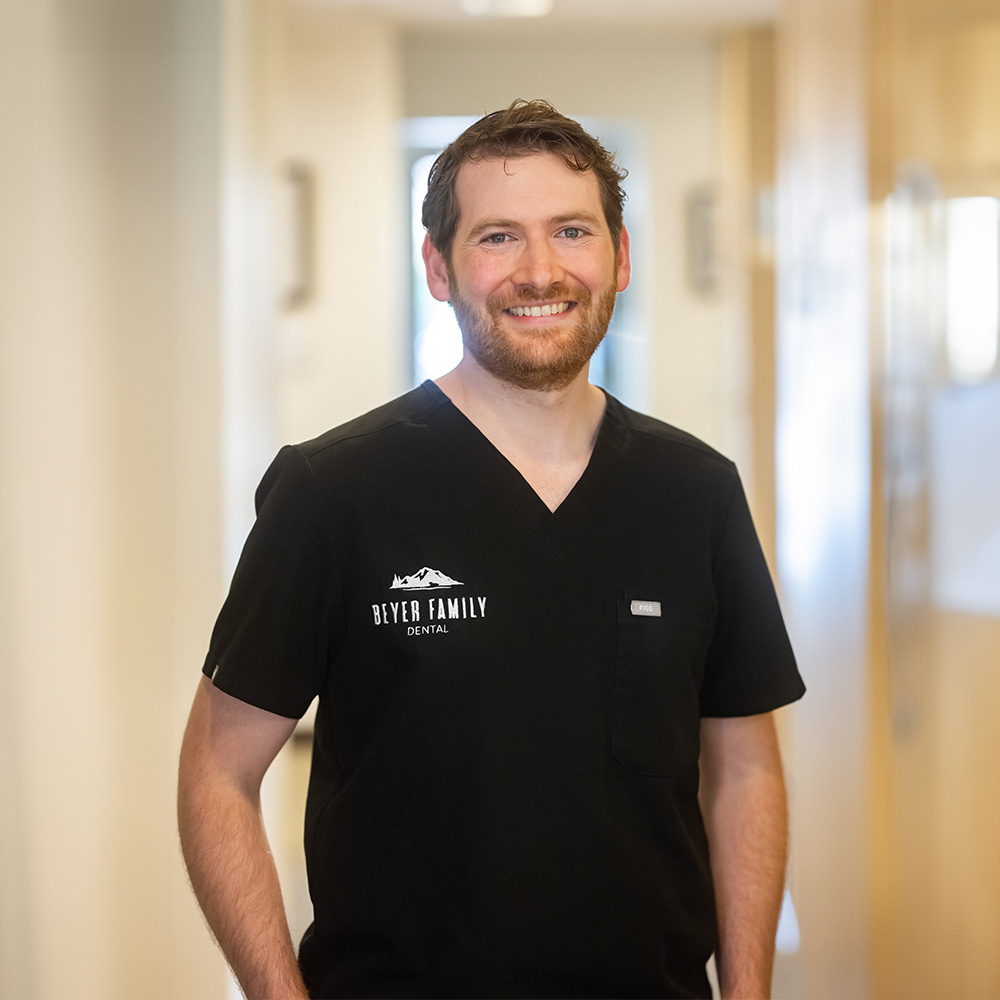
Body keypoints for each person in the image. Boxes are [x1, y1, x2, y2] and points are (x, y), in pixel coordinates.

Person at [178, 99, 805, 1000]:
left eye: (572, 231)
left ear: (621, 258)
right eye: (498, 237)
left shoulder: (696, 491)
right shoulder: (334, 493)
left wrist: (748, 993)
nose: (540, 270)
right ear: (438, 268)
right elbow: (217, 772)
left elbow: (745, 769)